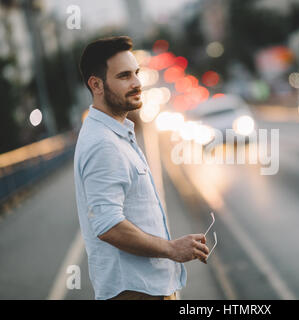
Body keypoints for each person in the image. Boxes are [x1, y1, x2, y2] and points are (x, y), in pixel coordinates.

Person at [73, 36, 209, 300]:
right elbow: (108, 225)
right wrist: (171, 249)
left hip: (147, 289)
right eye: (124, 76)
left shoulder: (115, 133)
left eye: (136, 73)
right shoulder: (103, 143)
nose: (136, 83)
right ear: (96, 84)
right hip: (136, 292)